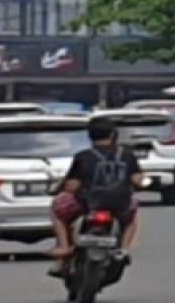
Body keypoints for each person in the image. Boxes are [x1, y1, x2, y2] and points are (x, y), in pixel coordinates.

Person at [48, 117, 144, 277]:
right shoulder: (127, 155)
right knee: (132, 218)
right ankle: (123, 250)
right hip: (120, 204)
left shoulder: (83, 157)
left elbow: (72, 186)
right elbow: (137, 180)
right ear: (113, 134)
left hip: (87, 205)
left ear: (89, 135)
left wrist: (60, 188)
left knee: (57, 210)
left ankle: (64, 247)